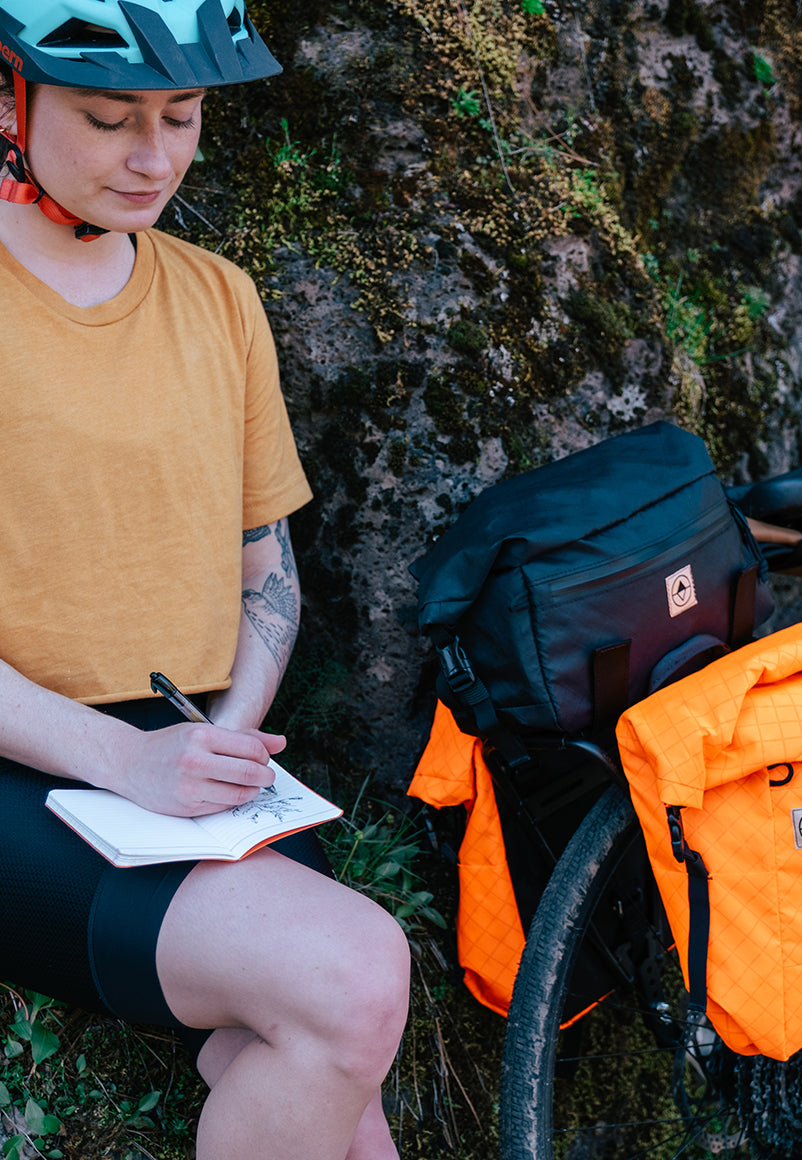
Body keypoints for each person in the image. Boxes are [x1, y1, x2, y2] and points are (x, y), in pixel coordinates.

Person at [0, 2, 410, 1158]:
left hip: (182, 763)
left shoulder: (218, 296)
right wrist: (126, 758)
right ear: (9, 100)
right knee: (361, 973)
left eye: (181, 116)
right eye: (108, 116)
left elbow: (262, 564)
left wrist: (225, 735)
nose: (154, 156)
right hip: (26, 770)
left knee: (337, 1065)